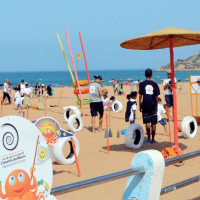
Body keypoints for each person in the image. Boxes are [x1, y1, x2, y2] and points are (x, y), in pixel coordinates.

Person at [139, 68, 160, 144]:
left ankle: (148, 139)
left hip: (145, 104)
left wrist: (139, 105)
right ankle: (153, 139)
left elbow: (140, 95)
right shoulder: (154, 84)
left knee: (147, 122)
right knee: (153, 123)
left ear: (145, 75)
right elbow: (156, 96)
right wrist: (157, 105)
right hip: (153, 104)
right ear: (151, 75)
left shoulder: (142, 84)